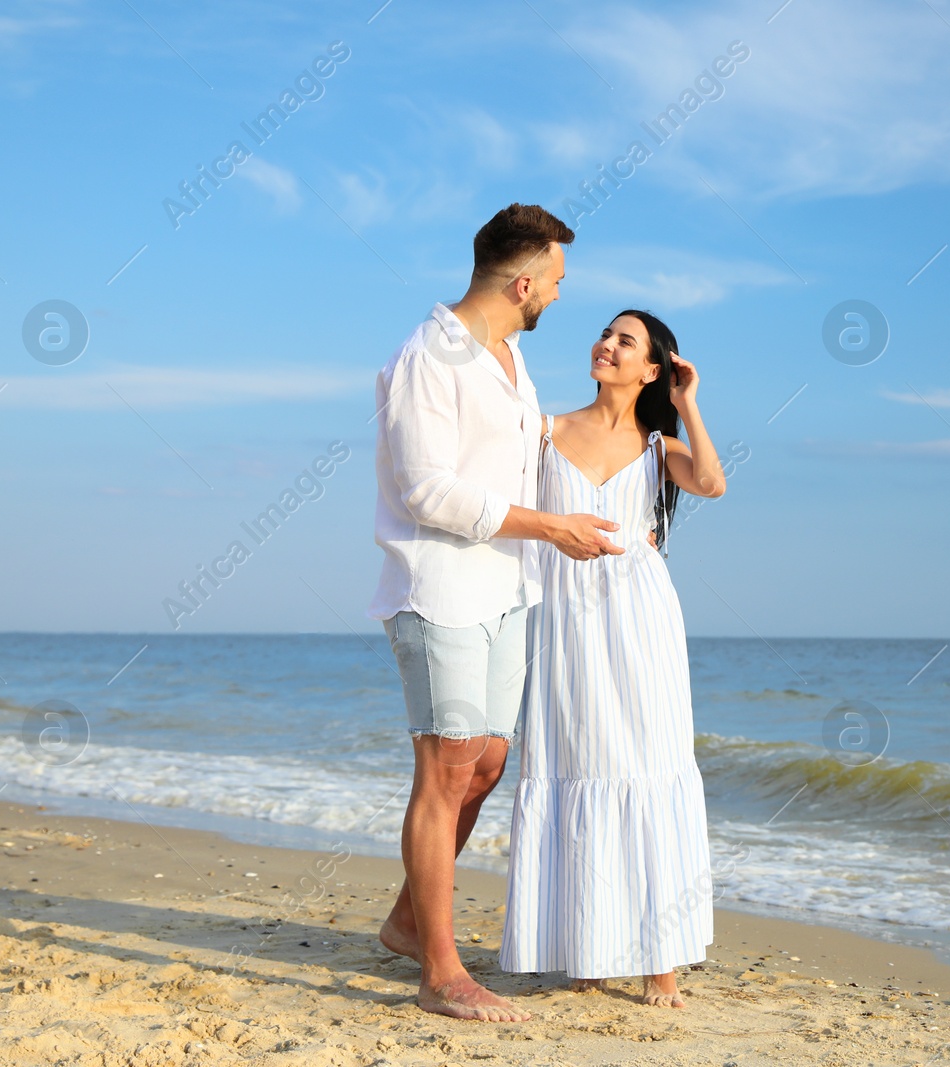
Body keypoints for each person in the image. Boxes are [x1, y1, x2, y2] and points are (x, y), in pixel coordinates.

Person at [370, 204, 626, 1023]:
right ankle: (441, 972)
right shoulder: (426, 357)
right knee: (445, 768)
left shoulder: (512, 358)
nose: (557, 293)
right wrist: (551, 526)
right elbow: (426, 490)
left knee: (485, 763)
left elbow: (534, 451)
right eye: (556, 280)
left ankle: (411, 920)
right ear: (523, 282)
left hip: (510, 589)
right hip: (437, 586)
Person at [499, 309, 727, 1008]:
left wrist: (688, 400)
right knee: (573, 762)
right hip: (563, 617)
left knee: (648, 764)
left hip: (641, 620)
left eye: (626, 341)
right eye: (606, 333)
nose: (606, 344)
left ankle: (662, 960)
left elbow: (713, 482)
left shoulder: (660, 446)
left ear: (651, 368)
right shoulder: (544, 429)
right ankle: (584, 947)